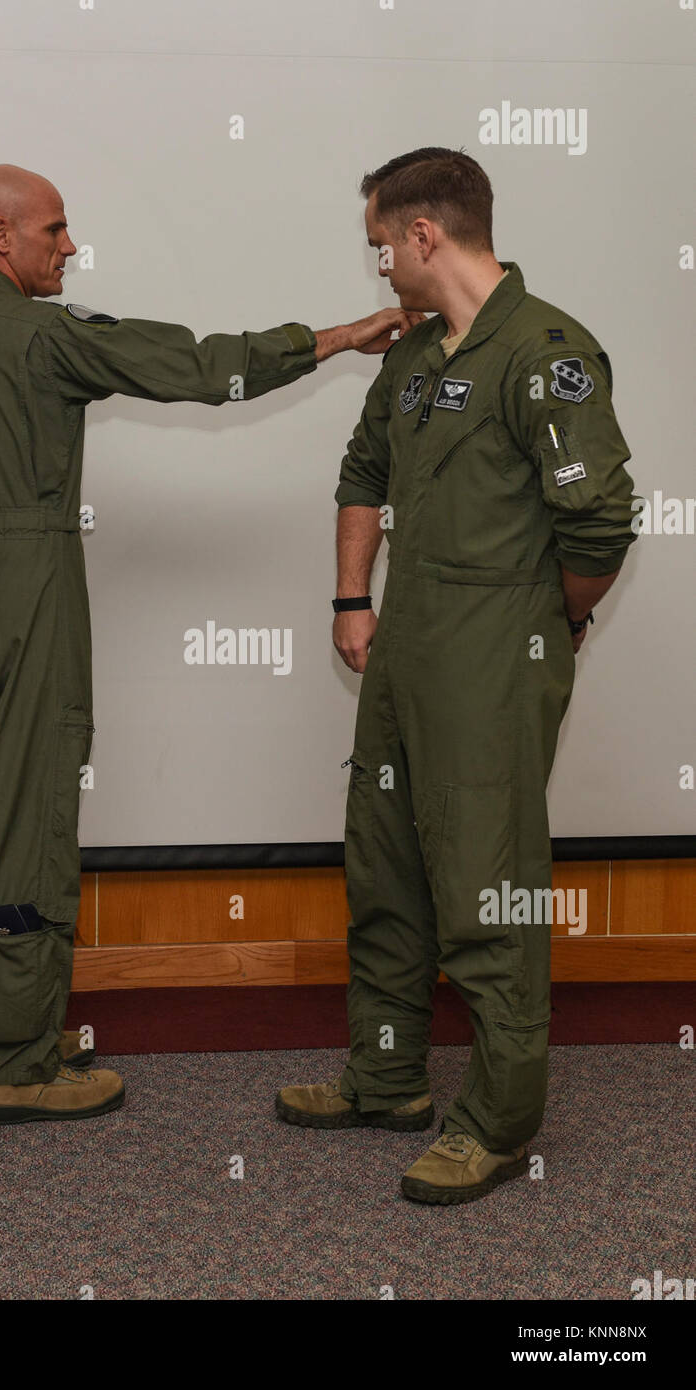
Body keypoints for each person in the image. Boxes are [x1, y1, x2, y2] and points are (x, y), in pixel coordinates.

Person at [0, 163, 421, 1126]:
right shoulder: (40, 336)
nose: (69, 248)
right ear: (0, 236)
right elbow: (201, 368)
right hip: (30, 592)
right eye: (55, 232)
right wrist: (336, 337)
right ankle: (19, 1067)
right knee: (29, 816)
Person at [276, 147, 638, 1205]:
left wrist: (551, 620)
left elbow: (601, 521)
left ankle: (501, 1121)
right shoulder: (418, 354)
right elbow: (362, 472)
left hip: (493, 650)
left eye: (383, 243)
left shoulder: (548, 351)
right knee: (386, 865)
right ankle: (388, 1075)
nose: (379, 264)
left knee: (489, 883)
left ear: (425, 234)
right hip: (405, 653)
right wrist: (353, 600)